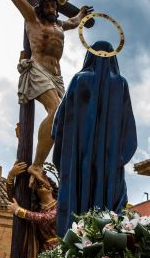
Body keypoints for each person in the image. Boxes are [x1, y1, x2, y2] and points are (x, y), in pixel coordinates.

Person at [0, 0, 93, 187]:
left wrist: (81, 14)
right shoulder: (33, 19)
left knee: (67, 117)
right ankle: (36, 165)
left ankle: (57, 165)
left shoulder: (57, 24)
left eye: (55, 6)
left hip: (57, 76)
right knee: (56, 112)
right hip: (38, 70)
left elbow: (73, 22)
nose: (53, 9)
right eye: (48, 6)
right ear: (40, 6)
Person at [52, 40, 137, 237]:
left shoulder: (79, 79)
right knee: (111, 204)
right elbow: (129, 131)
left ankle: (76, 241)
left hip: (78, 159)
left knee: (77, 197)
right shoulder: (121, 83)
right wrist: (115, 159)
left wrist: (69, 151)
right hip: (109, 164)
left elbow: (60, 122)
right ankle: (108, 240)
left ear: (89, 55)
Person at [6, 162, 58, 258]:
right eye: (38, 183)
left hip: (59, 251)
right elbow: (13, 200)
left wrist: (19, 211)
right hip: (42, 254)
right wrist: (11, 176)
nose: (41, 184)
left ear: (51, 188)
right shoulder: (37, 209)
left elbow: (45, 218)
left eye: (43, 181)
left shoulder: (60, 206)